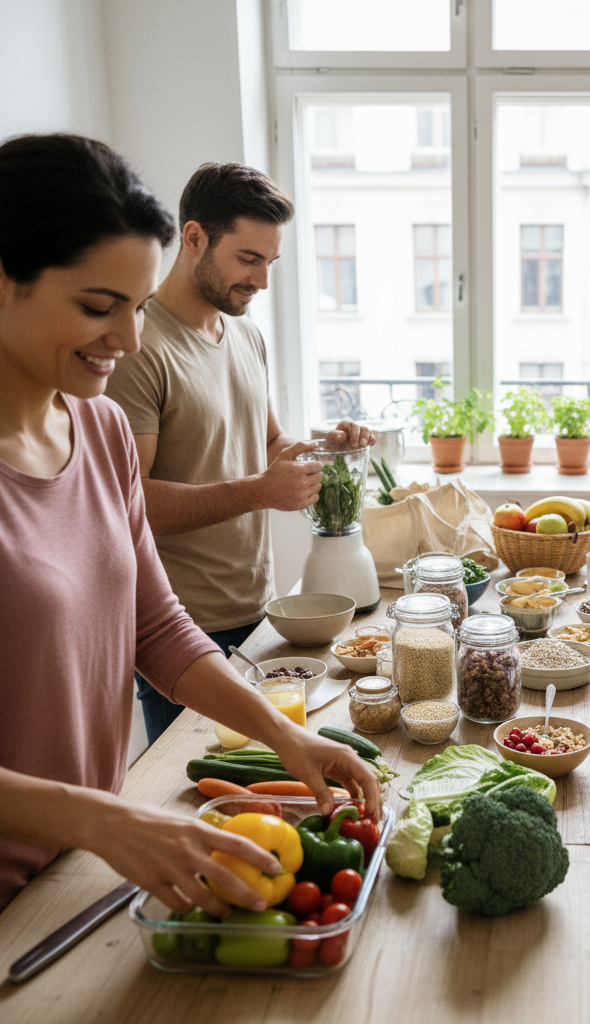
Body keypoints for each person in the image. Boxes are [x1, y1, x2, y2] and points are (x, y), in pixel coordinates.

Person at [0, 133, 380, 916]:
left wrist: (286, 734)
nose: (130, 340)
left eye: (137, 309)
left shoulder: (98, 429)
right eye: (99, 308)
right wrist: (104, 819)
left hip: (79, 866)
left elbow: (157, 628)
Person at [104, 162, 376, 743]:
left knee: (269, 779)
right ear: (194, 237)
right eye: (248, 260)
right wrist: (258, 492)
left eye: (269, 263)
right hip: (179, 631)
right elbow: (133, 502)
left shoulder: (245, 333)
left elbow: (269, 441)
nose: (262, 281)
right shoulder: (139, 346)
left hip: (259, 611)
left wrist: (328, 450)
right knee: (198, 789)